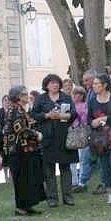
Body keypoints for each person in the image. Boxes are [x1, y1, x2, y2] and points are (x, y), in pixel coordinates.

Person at [31, 74, 78, 207]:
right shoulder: (41, 99)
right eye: (52, 83)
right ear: (46, 85)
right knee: (49, 169)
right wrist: (47, 115)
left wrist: (63, 115)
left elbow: (74, 114)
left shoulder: (66, 97)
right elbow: (34, 114)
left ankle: (68, 197)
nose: (55, 85)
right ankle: (52, 198)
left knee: (65, 168)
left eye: (57, 83)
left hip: (63, 137)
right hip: (47, 138)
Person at [3, 85, 46, 215]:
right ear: (18, 97)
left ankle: (27, 205)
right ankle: (21, 207)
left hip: (23, 149)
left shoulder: (19, 109)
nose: (27, 96)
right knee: (22, 179)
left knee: (27, 178)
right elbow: (20, 130)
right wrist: (36, 135)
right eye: (25, 94)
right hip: (19, 150)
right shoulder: (17, 110)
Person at [88, 74, 111, 205]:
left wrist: (102, 119)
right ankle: (110, 195)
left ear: (104, 85)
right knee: (104, 167)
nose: (94, 86)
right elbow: (89, 118)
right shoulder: (92, 100)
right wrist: (92, 122)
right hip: (99, 139)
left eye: (97, 84)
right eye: (93, 84)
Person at [73, 69, 105, 194]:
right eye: (84, 80)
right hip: (89, 130)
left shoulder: (100, 92)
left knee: (101, 158)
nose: (84, 83)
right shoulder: (90, 92)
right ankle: (82, 183)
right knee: (85, 157)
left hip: (99, 130)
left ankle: (103, 183)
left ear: (94, 79)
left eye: (87, 80)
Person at [70, 86, 88, 187]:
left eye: (80, 94)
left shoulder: (85, 105)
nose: (78, 96)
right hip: (72, 132)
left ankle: (81, 180)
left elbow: (85, 119)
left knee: (82, 158)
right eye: (76, 93)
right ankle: (74, 180)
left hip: (81, 132)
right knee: (72, 158)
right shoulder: (70, 105)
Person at [0, 95, 11, 183]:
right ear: (2, 102)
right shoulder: (0, 111)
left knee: (11, 156)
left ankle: (11, 175)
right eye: (5, 100)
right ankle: (5, 176)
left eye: (8, 100)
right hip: (3, 136)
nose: (7, 102)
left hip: (11, 136)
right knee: (4, 156)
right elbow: (0, 122)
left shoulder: (12, 110)